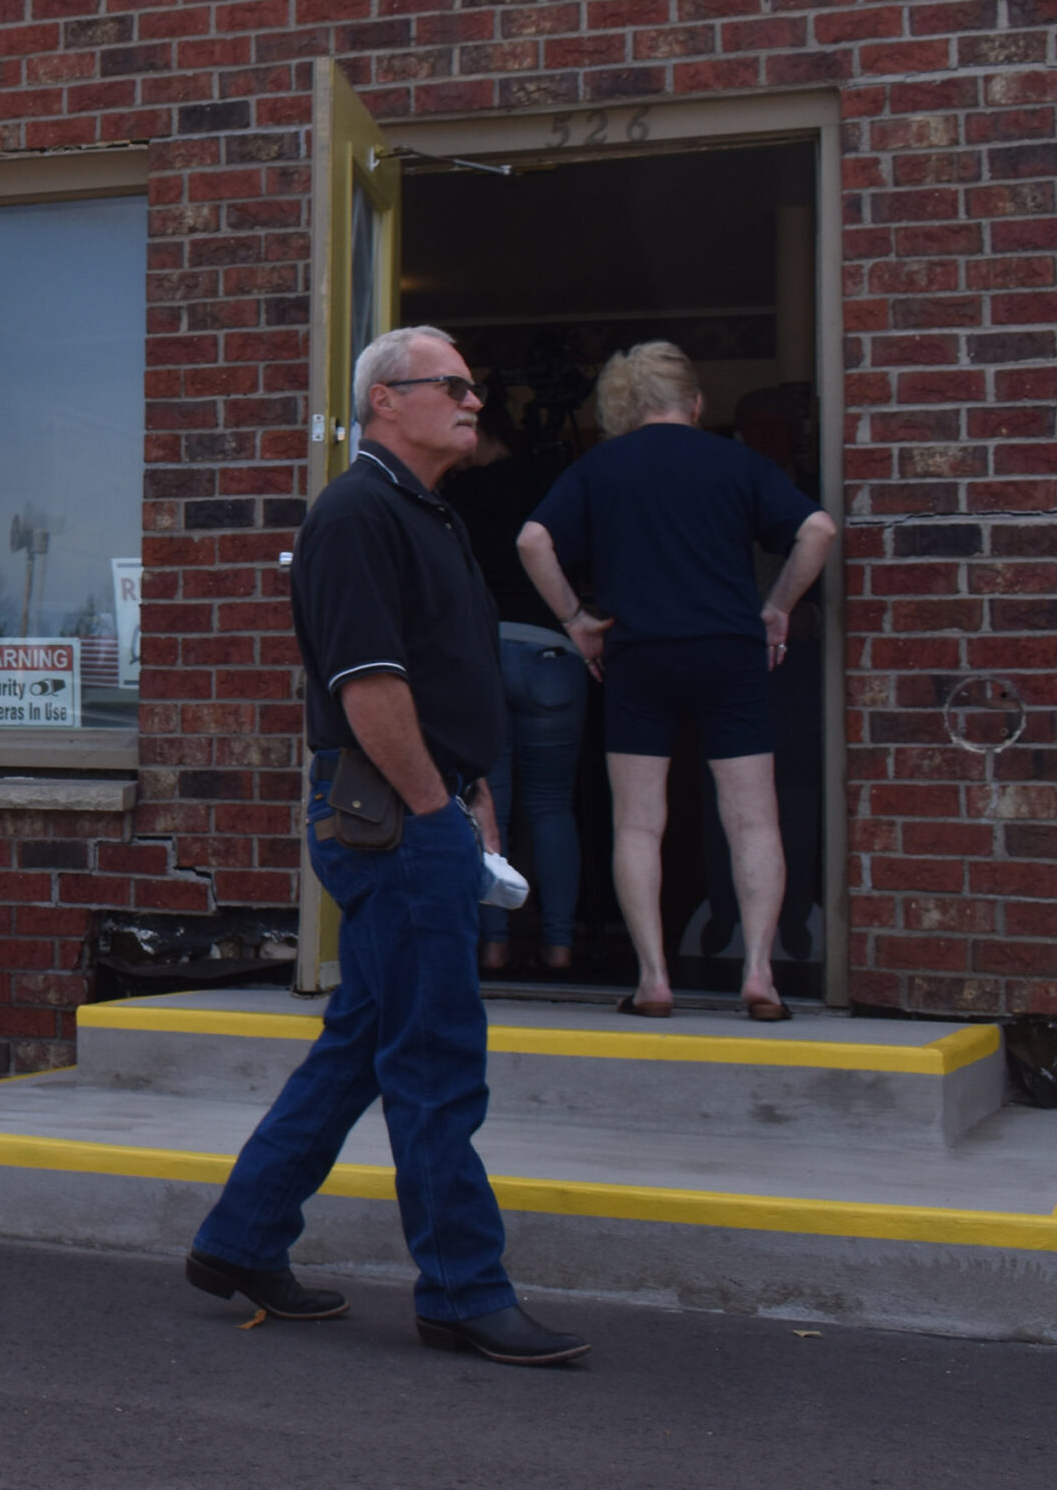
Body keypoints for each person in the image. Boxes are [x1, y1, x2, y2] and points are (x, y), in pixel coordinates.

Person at [185, 324, 589, 1368]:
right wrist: (436, 811)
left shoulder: (421, 512)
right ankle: (462, 1288)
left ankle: (239, 1236)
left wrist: (470, 802)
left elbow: (443, 688)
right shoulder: (358, 512)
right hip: (396, 819)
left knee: (363, 1042)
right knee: (437, 1059)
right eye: (449, 384)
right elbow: (369, 685)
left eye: (472, 384)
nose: (472, 400)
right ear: (383, 403)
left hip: (422, 808)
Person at [516, 341, 837, 1022]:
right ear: (694, 402)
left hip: (638, 654)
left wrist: (576, 619)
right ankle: (760, 976)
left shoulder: (601, 466)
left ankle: (655, 979)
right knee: (753, 818)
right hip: (730, 650)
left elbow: (532, 541)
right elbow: (817, 528)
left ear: (625, 408)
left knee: (638, 822)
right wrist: (776, 607)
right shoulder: (737, 461)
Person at [443, 393, 587, 974]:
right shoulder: (552, 484)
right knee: (552, 806)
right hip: (551, 649)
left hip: (483, 654)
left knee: (485, 802)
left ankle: (494, 943)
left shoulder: (454, 496)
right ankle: (559, 945)